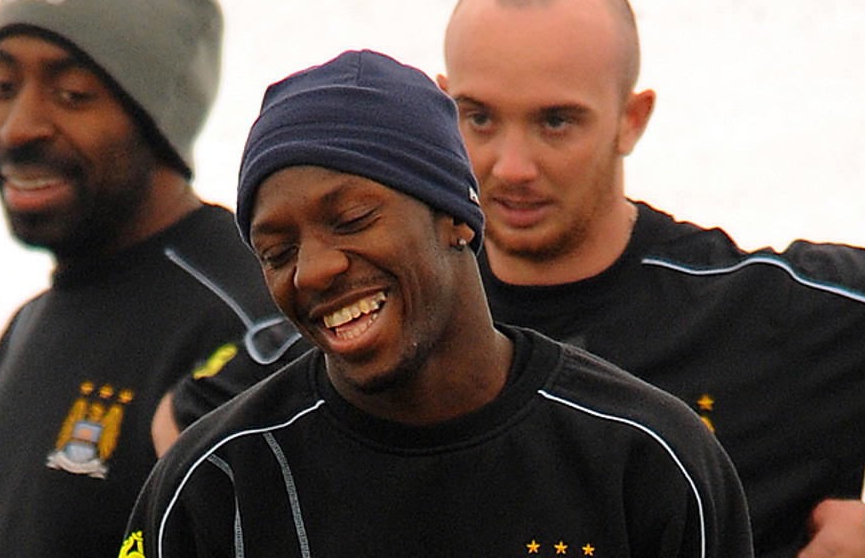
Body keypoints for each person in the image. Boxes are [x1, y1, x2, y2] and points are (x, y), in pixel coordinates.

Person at [121, 49, 754, 558]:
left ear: (455, 215)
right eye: (277, 252)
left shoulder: (646, 456)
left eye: (353, 219)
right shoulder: (213, 484)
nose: (313, 271)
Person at [436, 0, 865, 558]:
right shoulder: (391, 316)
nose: (512, 166)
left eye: (555, 122)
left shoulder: (762, 316)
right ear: (440, 105)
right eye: (479, 118)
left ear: (631, 120)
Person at [0, 0, 295, 557]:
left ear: (158, 119)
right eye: (2, 85)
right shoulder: (27, 327)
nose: (17, 127)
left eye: (73, 94)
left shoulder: (249, 319)